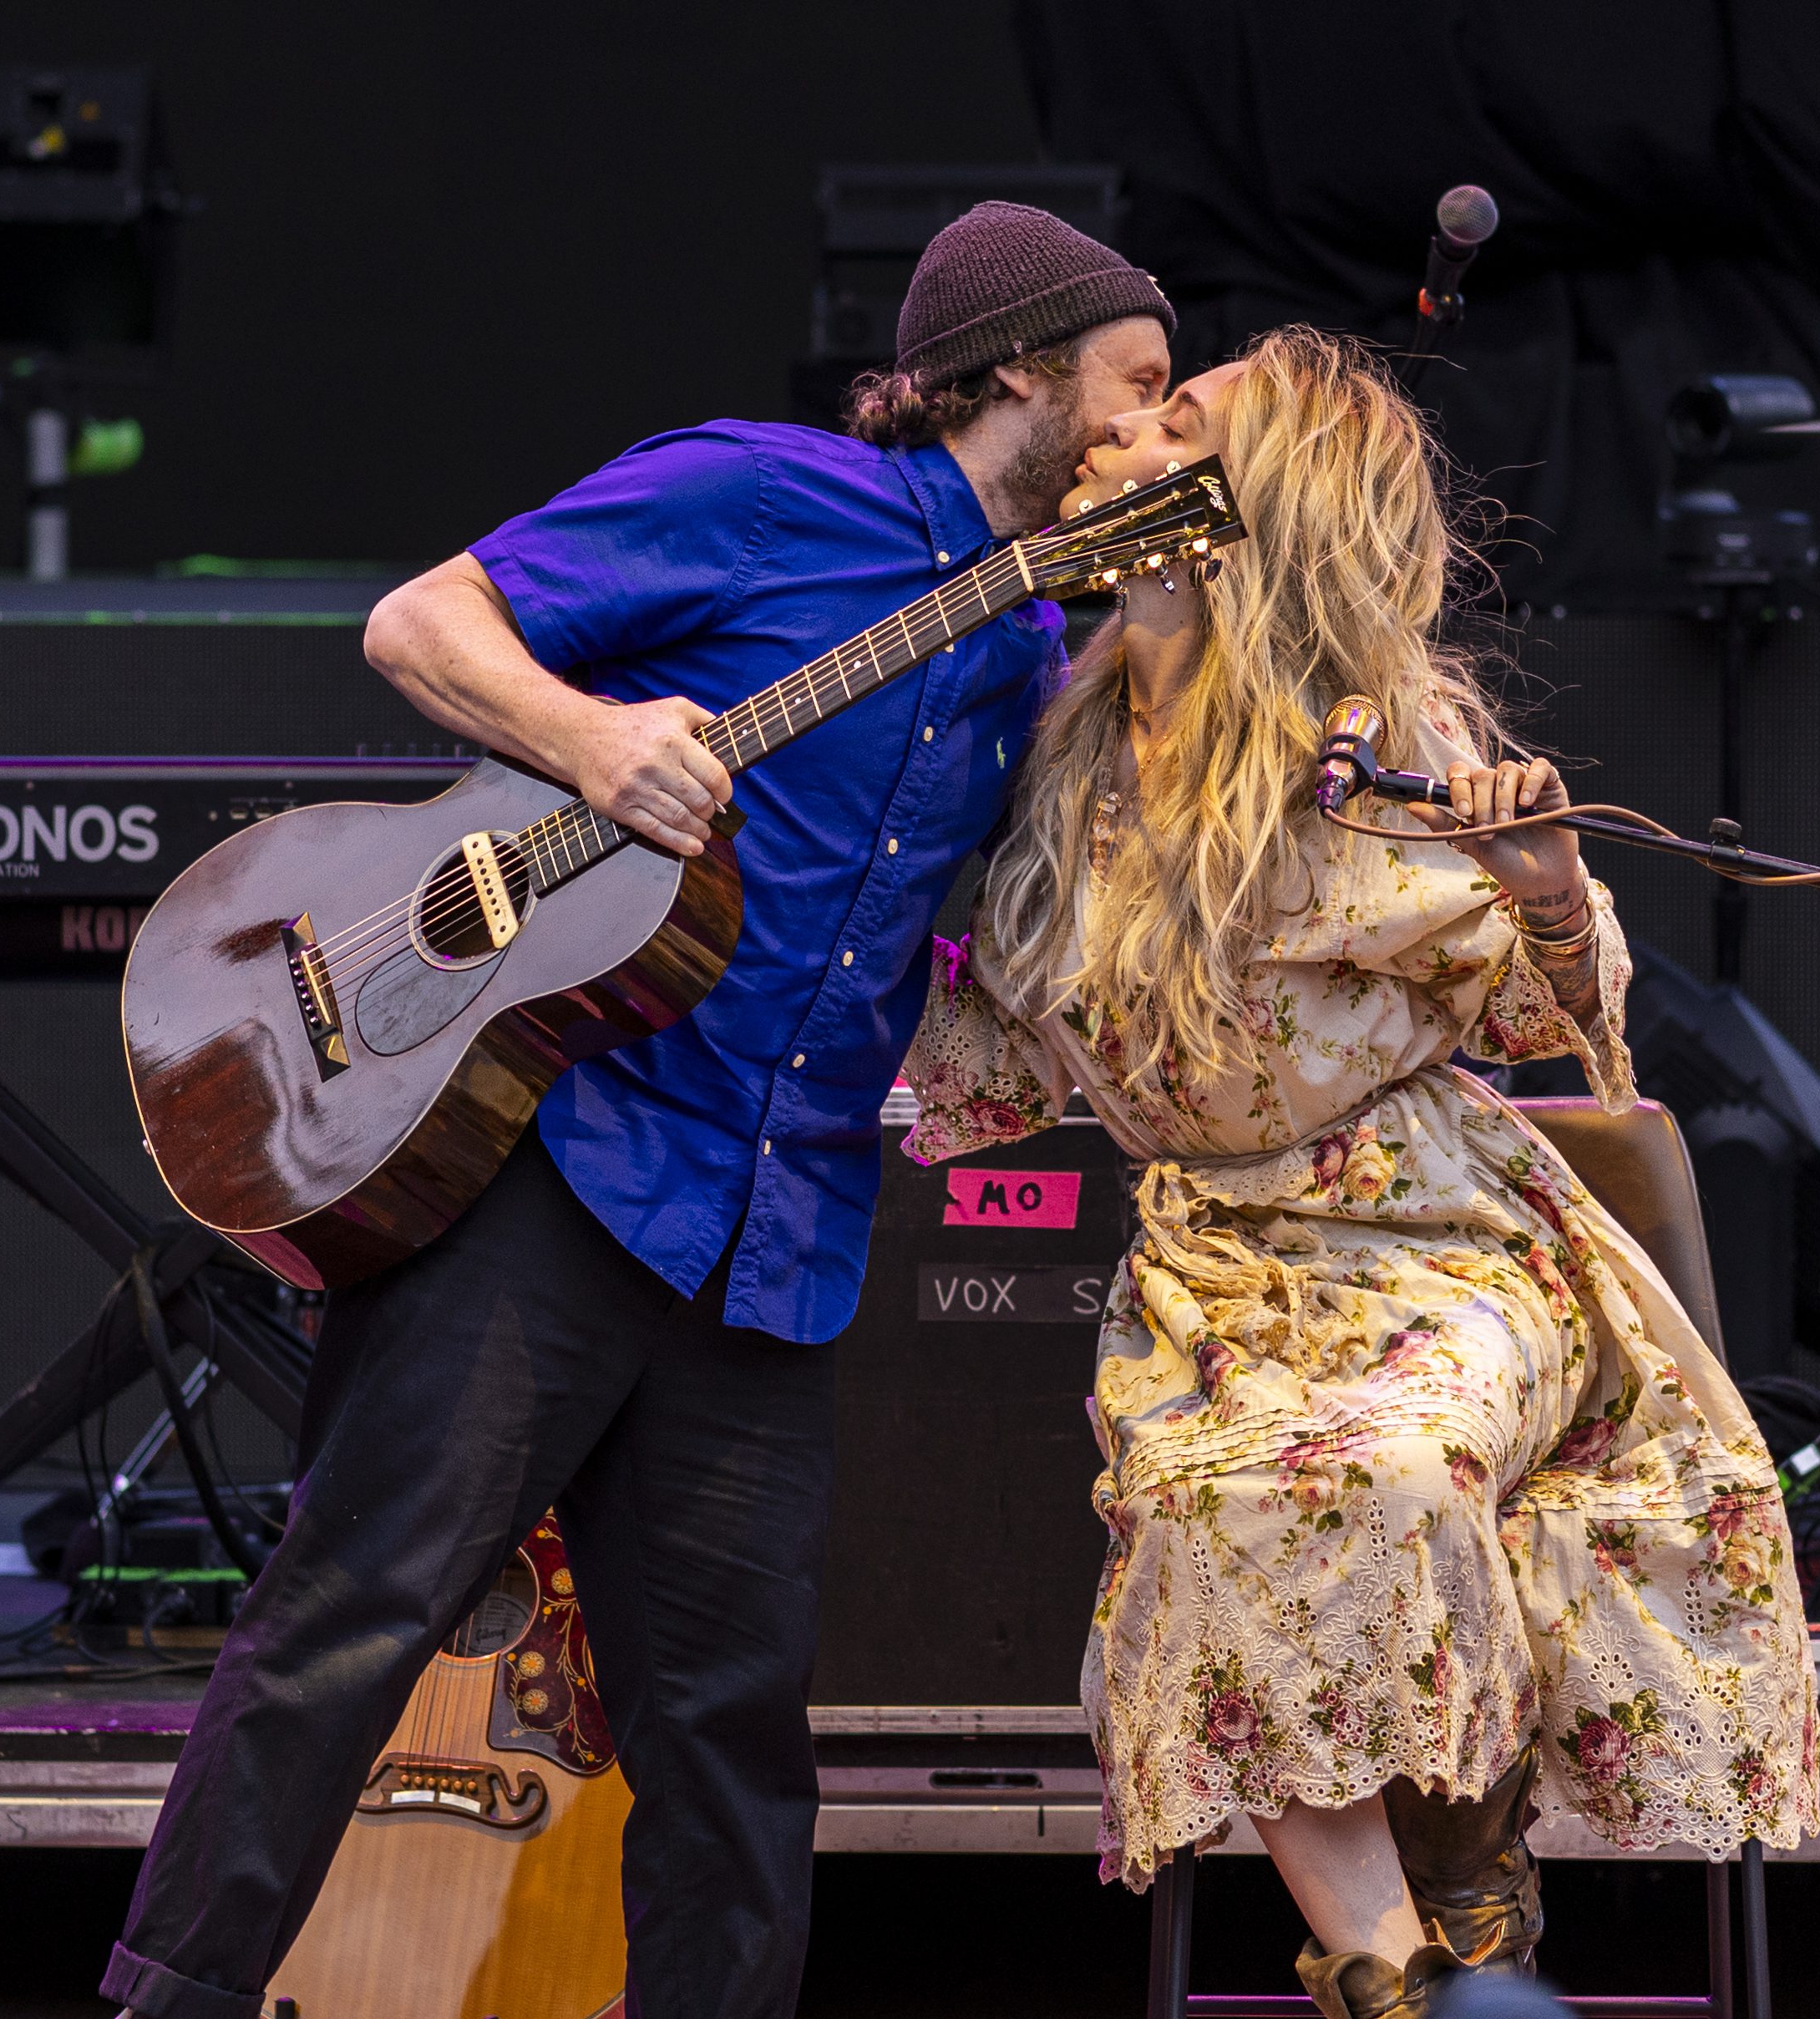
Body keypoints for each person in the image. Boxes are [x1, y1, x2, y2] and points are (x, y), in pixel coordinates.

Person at [100, 203, 1174, 2019]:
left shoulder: (1025, 653)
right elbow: (420, 623)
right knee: (352, 1618)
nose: (1157, 429)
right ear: (1016, 372)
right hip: (564, 1161)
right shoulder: (757, 492)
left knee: (729, 1726)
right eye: (1137, 386)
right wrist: (589, 738)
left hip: (773, 1231)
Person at [902, 327, 1818, 2019]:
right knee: (1209, 1495)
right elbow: (1016, 1039)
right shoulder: (1056, 734)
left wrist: (1548, 888)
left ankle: (1436, 1924)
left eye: (1174, 420)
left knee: (1386, 1464)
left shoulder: (1372, 732)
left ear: (1248, 500)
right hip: (1212, 1275)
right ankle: (1419, 1970)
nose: (1118, 434)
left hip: (1432, 1239)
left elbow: (1552, 1012)